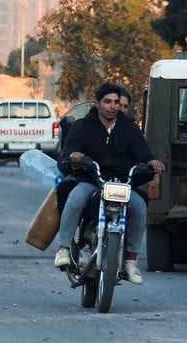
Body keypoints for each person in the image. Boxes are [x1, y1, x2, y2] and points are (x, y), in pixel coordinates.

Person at [54, 82, 165, 285]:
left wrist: (151, 162)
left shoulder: (129, 128)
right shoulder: (81, 127)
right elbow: (68, 153)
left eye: (116, 102)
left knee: (139, 207)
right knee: (75, 198)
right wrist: (74, 158)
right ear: (98, 103)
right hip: (92, 181)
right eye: (107, 102)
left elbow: (143, 152)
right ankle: (63, 249)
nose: (113, 106)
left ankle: (131, 260)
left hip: (121, 185)